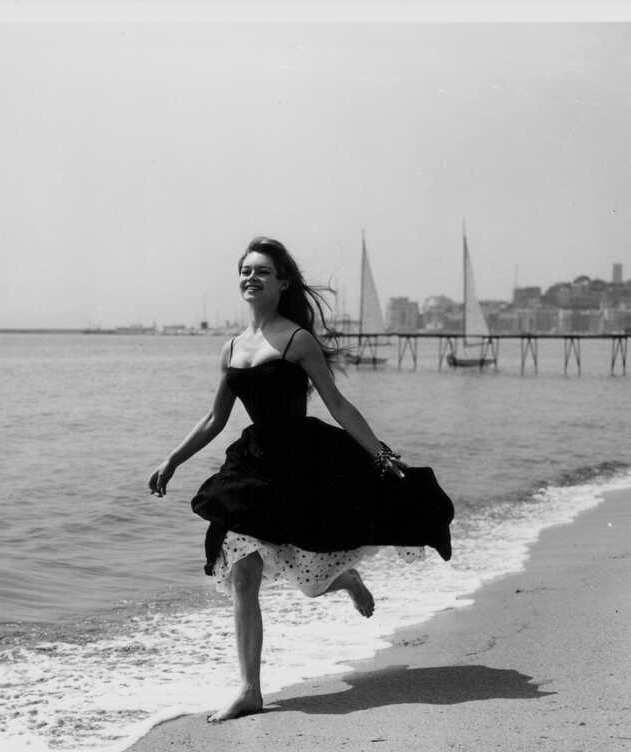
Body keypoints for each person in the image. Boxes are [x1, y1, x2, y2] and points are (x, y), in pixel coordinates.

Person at [148, 236, 454, 722]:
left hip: (301, 464)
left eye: (262, 271)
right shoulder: (231, 348)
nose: (251, 277)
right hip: (251, 467)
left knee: (308, 580)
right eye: (246, 270)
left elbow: (339, 405)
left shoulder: (297, 340)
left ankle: (345, 579)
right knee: (242, 572)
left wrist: (380, 454)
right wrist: (173, 459)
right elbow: (214, 419)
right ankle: (250, 690)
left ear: (283, 283)